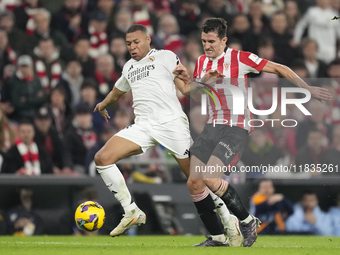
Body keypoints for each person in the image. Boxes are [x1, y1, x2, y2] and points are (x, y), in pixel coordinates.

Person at [173, 17, 331, 247]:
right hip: (212, 126)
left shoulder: (240, 58)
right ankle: (218, 237)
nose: (207, 46)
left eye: (211, 41)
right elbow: (195, 94)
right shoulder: (201, 62)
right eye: (204, 41)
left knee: (209, 177)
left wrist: (306, 88)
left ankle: (247, 221)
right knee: (194, 182)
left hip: (235, 127)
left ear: (224, 40)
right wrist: (195, 80)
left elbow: (279, 68)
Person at [93, 24, 238, 242]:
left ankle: (228, 220)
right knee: (102, 158)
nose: (132, 47)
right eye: (128, 44)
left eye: (136, 42)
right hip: (143, 126)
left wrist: (205, 81)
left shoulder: (166, 57)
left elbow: (186, 89)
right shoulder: (129, 67)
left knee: (198, 180)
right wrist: (103, 104)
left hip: (172, 125)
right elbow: (116, 92)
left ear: (148, 40)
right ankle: (131, 211)